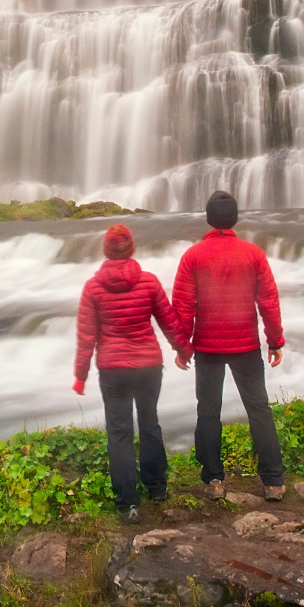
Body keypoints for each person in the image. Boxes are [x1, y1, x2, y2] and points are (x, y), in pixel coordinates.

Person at [171, 189, 286, 501]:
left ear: (209, 220)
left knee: (208, 411)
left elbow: (183, 306)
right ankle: (273, 481)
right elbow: (268, 302)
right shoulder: (253, 254)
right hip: (245, 345)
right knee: (259, 409)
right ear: (235, 219)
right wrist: (274, 340)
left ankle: (214, 481)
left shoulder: (193, 257)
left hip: (207, 347)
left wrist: (183, 346)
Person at [73, 222, 187, 523]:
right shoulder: (148, 282)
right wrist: (183, 350)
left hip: (113, 370)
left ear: (106, 251)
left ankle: (128, 503)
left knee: (120, 433)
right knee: (150, 423)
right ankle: (157, 487)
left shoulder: (93, 288)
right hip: (148, 366)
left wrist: (80, 375)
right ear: (131, 249)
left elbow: (87, 336)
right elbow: (169, 320)